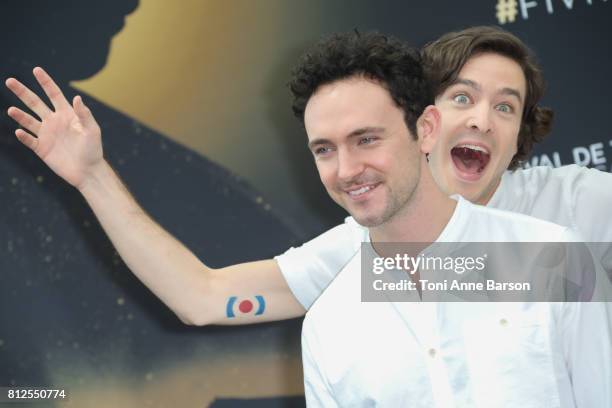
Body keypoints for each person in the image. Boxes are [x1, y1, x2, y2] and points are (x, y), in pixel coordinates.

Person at [4, 26, 611, 326]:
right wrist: (91, 176)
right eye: (462, 97)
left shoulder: (580, 200)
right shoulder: (361, 250)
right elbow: (204, 298)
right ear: (422, 122)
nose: (483, 118)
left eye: (506, 107)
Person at [289, 30, 611, 407]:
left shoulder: (556, 258)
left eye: (367, 139)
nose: (346, 170)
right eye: (325, 149)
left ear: (426, 129)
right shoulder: (327, 326)